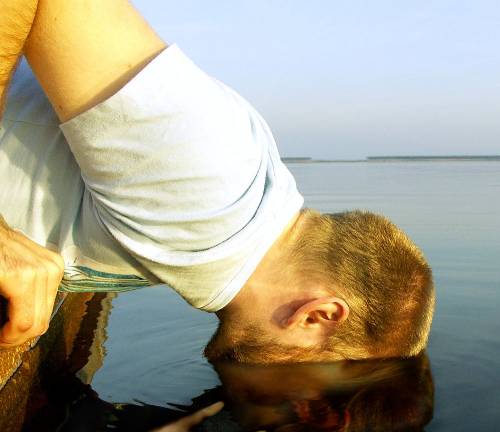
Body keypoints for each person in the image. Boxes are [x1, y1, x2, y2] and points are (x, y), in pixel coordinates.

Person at [0, 0, 435, 362]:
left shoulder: (216, 243)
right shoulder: (214, 183)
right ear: (318, 316)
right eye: (316, 385)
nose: (299, 408)